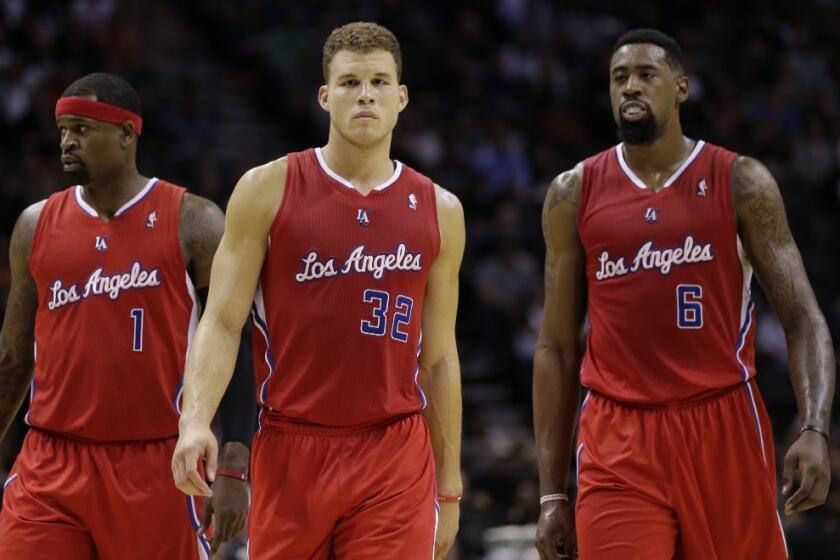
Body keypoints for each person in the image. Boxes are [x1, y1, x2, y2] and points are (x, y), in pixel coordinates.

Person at [533, 29, 835, 560]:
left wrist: (814, 427)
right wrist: (552, 493)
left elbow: (803, 318)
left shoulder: (741, 180)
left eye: (647, 74)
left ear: (681, 87)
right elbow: (556, 347)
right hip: (617, 433)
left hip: (722, 422)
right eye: (619, 77)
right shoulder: (573, 192)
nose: (630, 86)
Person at [171, 21, 464, 559]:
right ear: (325, 96)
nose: (366, 95)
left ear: (401, 98)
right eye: (350, 83)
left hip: (393, 448)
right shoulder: (268, 188)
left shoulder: (442, 209)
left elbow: (440, 358)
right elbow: (221, 321)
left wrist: (450, 487)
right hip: (291, 443)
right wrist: (194, 421)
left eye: (379, 82)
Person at [0, 73, 256, 559]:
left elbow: (236, 341)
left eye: (81, 128)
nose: (66, 141)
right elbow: (13, 356)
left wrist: (234, 461)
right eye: (61, 130)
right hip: (51, 460)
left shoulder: (195, 222)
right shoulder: (34, 225)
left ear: (126, 133)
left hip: (157, 462)